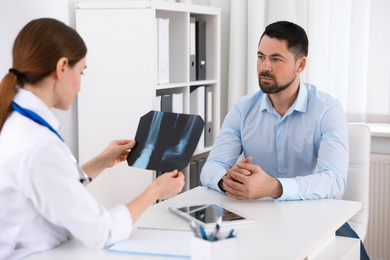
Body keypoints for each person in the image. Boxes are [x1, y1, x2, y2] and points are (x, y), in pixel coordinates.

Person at [0, 18, 185, 260]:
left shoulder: (17, 122)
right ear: (62, 67)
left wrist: (101, 161)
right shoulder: (38, 143)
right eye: (82, 72)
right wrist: (155, 191)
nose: (79, 86)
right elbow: (103, 232)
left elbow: (55, 188)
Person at [200, 21, 369, 259]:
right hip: (256, 217)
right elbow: (212, 167)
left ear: (301, 64)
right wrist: (227, 182)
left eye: (276, 59)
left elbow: (334, 181)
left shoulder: (327, 110)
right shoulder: (242, 109)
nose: (264, 67)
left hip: (315, 215)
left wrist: (274, 187)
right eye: (261, 57)